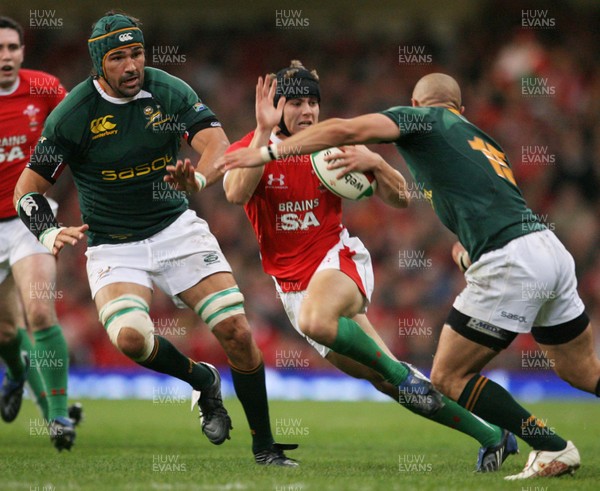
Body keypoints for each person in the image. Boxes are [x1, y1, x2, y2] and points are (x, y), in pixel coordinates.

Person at [217, 72, 600, 479]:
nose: (307, 110)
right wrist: (263, 141)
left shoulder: (412, 123)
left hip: (340, 263)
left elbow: (367, 153)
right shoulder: (479, 137)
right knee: (582, 371)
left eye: (313, 102)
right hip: (544, 249)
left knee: (446, 375)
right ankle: (491, 434)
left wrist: (373, 161)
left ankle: (550, 445)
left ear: (416, 108)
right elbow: (235, 193)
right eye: (296, 103)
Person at [13, 11, 297, 466]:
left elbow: (217, 147)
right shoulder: (73, 114)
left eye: (138, 53)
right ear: (98, 64)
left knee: (237, 333)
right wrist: (46, 229)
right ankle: (203, 382)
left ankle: (265, 448)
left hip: (175, 229)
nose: (131, 66)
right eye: (119, 57)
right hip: (113, 243)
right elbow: (27, 189)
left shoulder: (167, 91)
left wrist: (199, 182)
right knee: (130, 338)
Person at [0, 15, 82, 451]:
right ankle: (17, 373)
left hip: (28, 214)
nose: (6, 57)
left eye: (12, 47)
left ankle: (58, 416)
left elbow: (80, 126)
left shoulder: (45, 89)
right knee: (6, 333)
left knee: (39, 313)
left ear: (22, 51)